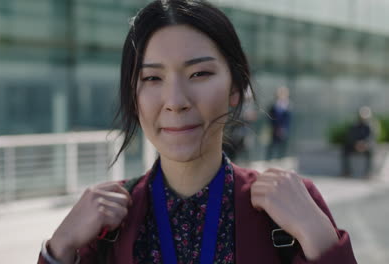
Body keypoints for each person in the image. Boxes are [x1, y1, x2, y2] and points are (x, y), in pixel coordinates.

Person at [38, 1, 356, 263]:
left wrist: (320, 238)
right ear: (133, 97)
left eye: (199, 73)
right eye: (152, 78)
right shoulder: (107, 221)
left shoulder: (288, 206)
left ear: (236, 89)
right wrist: (59, 248)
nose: (176, 102)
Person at [342, 106, 374, 178]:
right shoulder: (354, 125)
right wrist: (356, 144)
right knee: (345, 150)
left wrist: (364, 144)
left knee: (371, 152)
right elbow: (351, 136)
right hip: (355, 146)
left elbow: (371, 138)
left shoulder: (370, 126)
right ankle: (347, 171)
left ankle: (368, 173)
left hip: (366, 146)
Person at [266, 86, 292, 160]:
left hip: (283, 130)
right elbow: (270, 118)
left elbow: (288, 120)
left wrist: (283, 129)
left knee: (283, 147)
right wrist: (275, 128)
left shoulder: (288, 106)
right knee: (271, 146)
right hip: (274, 129)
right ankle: (269, 160)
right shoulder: (273, 105)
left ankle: (281, 159)